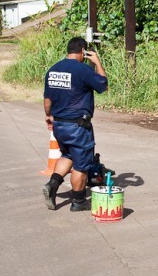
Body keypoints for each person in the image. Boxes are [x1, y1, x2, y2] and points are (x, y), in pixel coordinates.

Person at [42, 37, 108, 212]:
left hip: (59, 125)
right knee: (81, 165)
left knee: (67, 155)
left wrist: (48, 116)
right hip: (78, 127)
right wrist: (97, 62)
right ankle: (78, 201)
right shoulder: (83, 69)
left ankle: (52, 185)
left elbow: (47, 100)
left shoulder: (53, 70)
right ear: (83, 51)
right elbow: (103, 85)